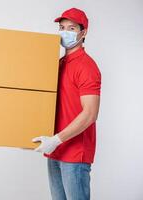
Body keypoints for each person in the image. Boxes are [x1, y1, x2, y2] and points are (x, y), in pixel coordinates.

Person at [32, 8, 101, 200]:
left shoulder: (87, 67)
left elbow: (90, 113)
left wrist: (56, 140)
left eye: (71, 28)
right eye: (61, 28)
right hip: (55, 150)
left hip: (74, 153)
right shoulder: (58, 63)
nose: (65, 32)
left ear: (83, 32)